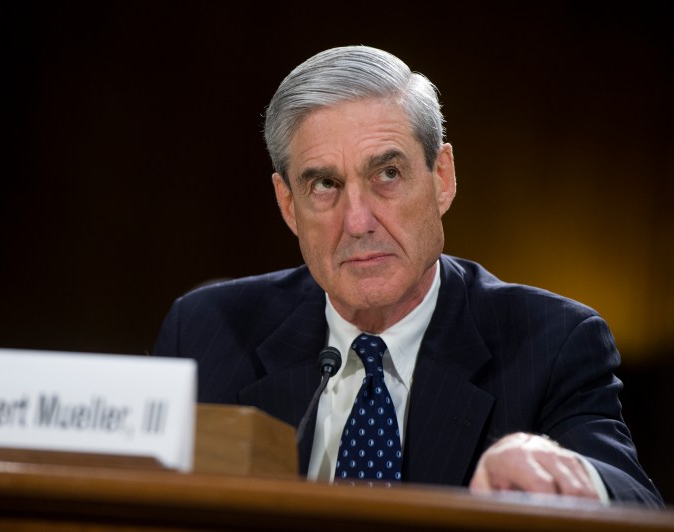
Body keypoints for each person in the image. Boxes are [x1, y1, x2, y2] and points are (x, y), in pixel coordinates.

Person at [152, 45, 662, 507]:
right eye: (325, 184)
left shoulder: (552, 341)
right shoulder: (206, 331)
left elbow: (632, 498)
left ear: (442, 178)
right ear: (288, 204)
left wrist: (559, 469)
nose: (357, 222)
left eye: (387, 174)